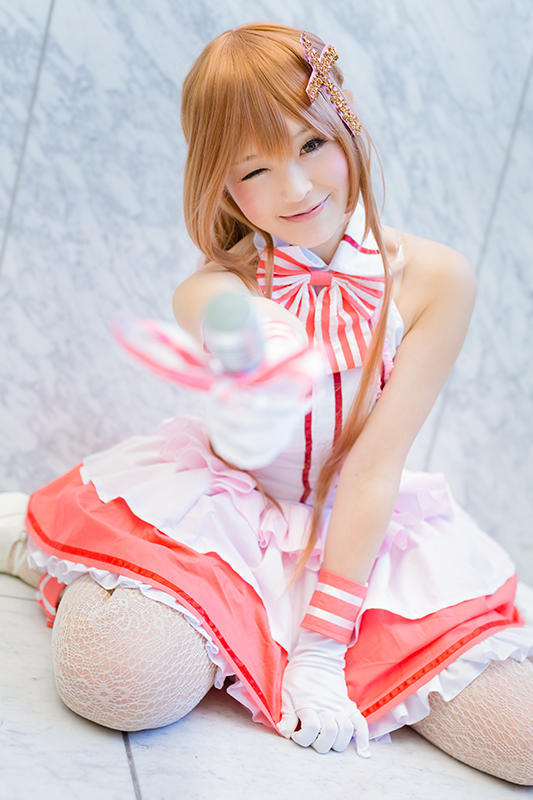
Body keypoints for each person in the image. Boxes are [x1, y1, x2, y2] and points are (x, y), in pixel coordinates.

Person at [1, 21, 533, 785]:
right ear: (220, 184)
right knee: (115, 684)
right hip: (226, 518)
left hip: (359, 533)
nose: (295, 188)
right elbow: (210, 308)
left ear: (347, 126)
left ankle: (304, 649)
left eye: (312, 144)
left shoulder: (436, 280)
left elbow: (372, 468)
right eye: (254, 168)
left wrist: (321, 648)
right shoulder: (224, 285)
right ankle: (36, 542)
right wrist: (250, 340)